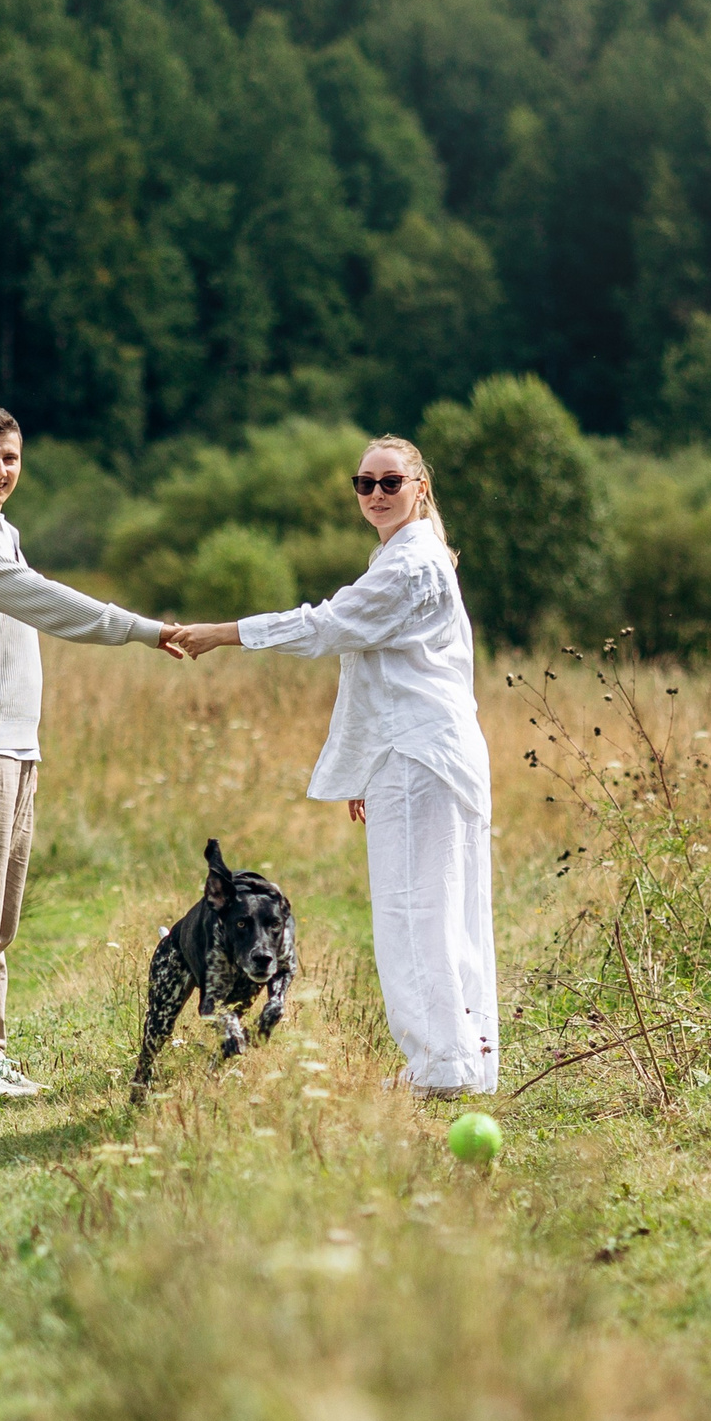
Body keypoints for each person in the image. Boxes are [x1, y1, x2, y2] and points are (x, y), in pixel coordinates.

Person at [165, 437, 498, 1097]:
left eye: (390, 482)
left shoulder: (411, 567)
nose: (375, 493)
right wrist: (367, 768)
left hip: (420, 757)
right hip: (420, 755)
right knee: (444, 912)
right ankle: (463, 1059)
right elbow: (385, 672)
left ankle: (440, 1068)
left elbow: (324, 629)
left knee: (413, 916)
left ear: (419, 487)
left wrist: (221, 632)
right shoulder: (403, 558)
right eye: (363, 483)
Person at [0, 404, 181, 1099]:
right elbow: (44, 602)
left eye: (11, 459)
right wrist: (143, 630)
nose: (0, 472)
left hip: (10, 748)